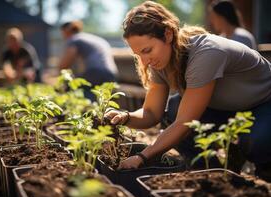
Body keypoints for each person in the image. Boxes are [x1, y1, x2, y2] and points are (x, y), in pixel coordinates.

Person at [104, 1, 271, 181]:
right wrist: (126, 117)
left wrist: (142, 157)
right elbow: (151, 113)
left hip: (263, 104)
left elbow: (185, 123)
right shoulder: (160, 63)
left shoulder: (206, 53)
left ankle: (265, 173)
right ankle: (211, 170)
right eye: (139, 55)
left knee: (256, 141)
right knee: (173, 110)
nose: (144, 62)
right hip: (228, 108)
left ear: (168, 34)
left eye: (147, 50)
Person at [59, 20, 118, 99]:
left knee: (74, 89)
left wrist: (60, 77)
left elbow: (64, 64)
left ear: (66, 31)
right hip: (111, 73)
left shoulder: (74, 39)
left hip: (96, 72)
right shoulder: (89, 38)